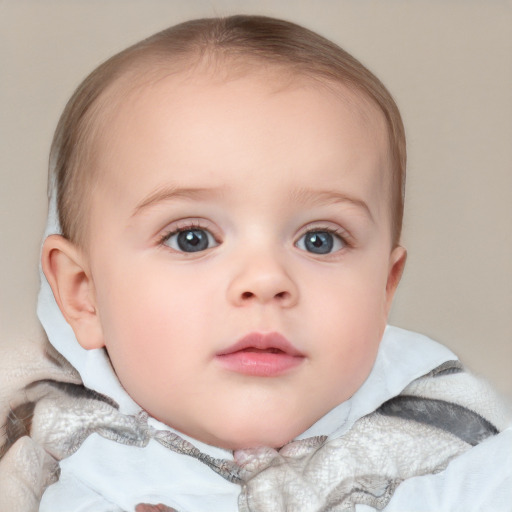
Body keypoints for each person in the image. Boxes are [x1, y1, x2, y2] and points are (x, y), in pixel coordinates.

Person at [1, 15, 511, 511]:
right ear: (83, 293)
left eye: (319, 241)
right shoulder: (49, 453)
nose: (266, 280)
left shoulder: (452, 452)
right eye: (192, 238)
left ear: (384, 288)